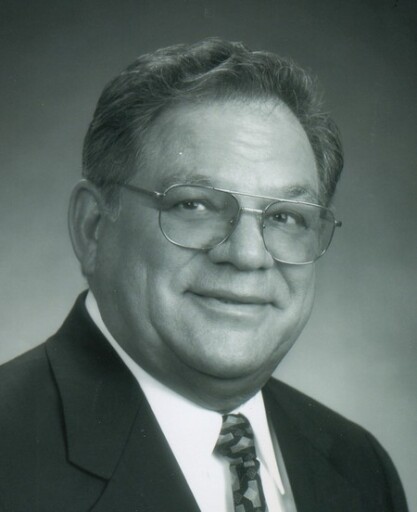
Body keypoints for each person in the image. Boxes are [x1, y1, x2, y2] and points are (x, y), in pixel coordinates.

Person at [0, 38, 408, 512]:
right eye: (194, 205)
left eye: (285, 217)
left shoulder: (361, 469)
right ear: (92, 228)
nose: (248, 255)